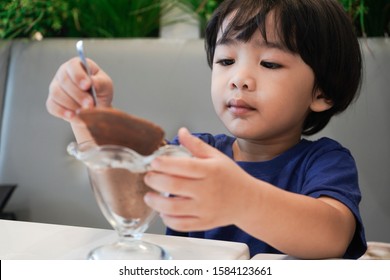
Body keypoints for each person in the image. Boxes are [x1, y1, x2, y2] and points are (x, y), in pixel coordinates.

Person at [47, 0, 367, 259]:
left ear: (321, 92)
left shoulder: (324, 161)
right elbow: (126, 201)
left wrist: (241, 198)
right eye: (226, 60)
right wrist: (87, 115)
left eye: (269, 63)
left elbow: (332, 236)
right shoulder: (195, 152)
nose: (239, 78)